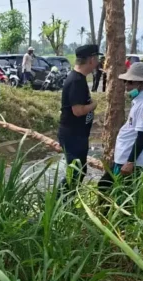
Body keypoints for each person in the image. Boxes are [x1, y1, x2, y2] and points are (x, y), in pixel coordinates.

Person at [99, 62, 143, 192]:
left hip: (133, 161)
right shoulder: (140, 100)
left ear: (142, 83)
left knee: (113, 190)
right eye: (126, 82)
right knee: (106, 186)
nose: (127, 86)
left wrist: (130, 162)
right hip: (125, 156)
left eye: (131, 82)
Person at [58, 44, 99, 194]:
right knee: (75, 173)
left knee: (79, 171)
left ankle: (65, 204)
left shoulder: (80, 79)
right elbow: (78, 111)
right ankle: (57, 205)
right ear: (91, 60)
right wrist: (93, 105)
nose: (98, 62)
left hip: (79, 134)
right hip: (72, 135)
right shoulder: (76, 81)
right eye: (97, 58)